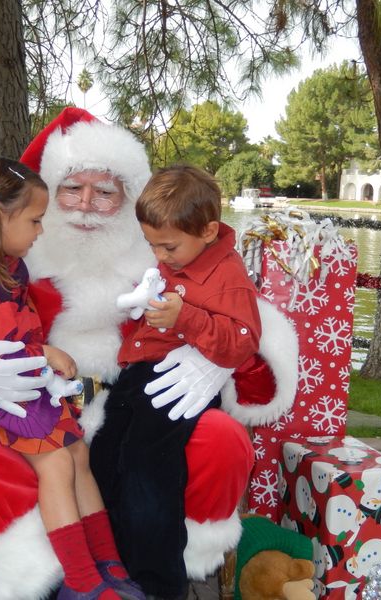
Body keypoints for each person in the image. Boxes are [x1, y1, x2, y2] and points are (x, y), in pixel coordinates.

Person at [0, 107, 298, 600]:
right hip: (29, 408)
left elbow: (242, 316)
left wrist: (216, 357)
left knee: (218, 435)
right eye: (72, 187)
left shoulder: (162, 250)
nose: (87, 204)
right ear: (46, 194)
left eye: (106, 191)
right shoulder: (0, 255)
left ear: (129, 198)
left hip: (133, 404)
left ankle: (145, 575)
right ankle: (36, 579)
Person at [0, 155, 143, 600]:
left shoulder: (3, 265)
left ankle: (108, 563)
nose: (40, 230)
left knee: (78, 454)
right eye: (34, 220)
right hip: (2, 396)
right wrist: (44, 352)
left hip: (30, 387)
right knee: (57, 465)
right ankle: (81, 580)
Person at [90, 165, 262, 599]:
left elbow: (243, 341)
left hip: (180, 384)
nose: (160, 255)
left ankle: (160, 584)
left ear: (207, 231)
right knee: (106, 451)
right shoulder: (180, 257)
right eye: (152, 245)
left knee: (148, 471)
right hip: (141, 377)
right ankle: (112, 563)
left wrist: (185, 318)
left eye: (167, 246)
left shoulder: (227, 277)